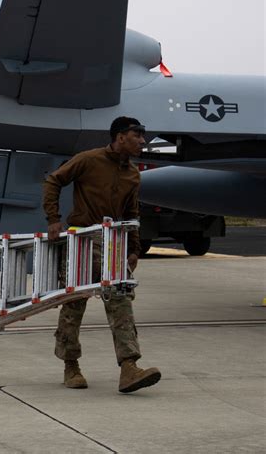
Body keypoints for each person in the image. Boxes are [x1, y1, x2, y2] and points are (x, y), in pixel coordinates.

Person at [43, 116, 161, 393]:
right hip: (83, 238)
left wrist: (134, 248)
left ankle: (129, 368)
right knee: (75, 302)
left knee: (120, 299)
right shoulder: (88, 160)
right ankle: (70, 366)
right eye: (137, 135)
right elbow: (53, 181)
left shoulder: (132, 174)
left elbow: (131, 213)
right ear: (121, 137)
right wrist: (53, 218)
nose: (142, 141)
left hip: (114, 243)